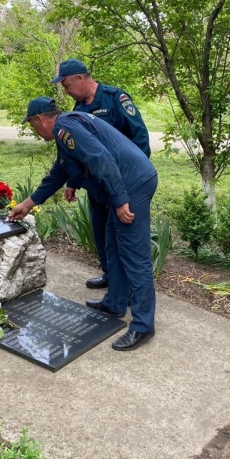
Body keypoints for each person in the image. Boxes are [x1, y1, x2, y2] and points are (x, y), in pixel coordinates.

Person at [10, 97, 158, 351]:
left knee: (135, 256)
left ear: (39, 119)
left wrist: (121, 200)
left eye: (33, 126)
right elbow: (61, 170)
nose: (35, 131)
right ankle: (115, 302)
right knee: (113, 244)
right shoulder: (66, 127)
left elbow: (101, 158)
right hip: (125, 182)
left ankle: (143, 325)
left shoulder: (64, 127)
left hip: (131, 183)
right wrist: (28, 203)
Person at [50, 58, 151, 291]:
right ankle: (110, 276)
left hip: (122, 185)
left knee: (123, 237)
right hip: (98, 186)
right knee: (101, 234)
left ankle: (124, 285)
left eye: (66, 85)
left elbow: (140, 139)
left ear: (80, 78)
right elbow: (78, 152)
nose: (66, 91)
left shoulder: (116, 99)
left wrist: (128, 183)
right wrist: (72, 182)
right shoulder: (78, 109)